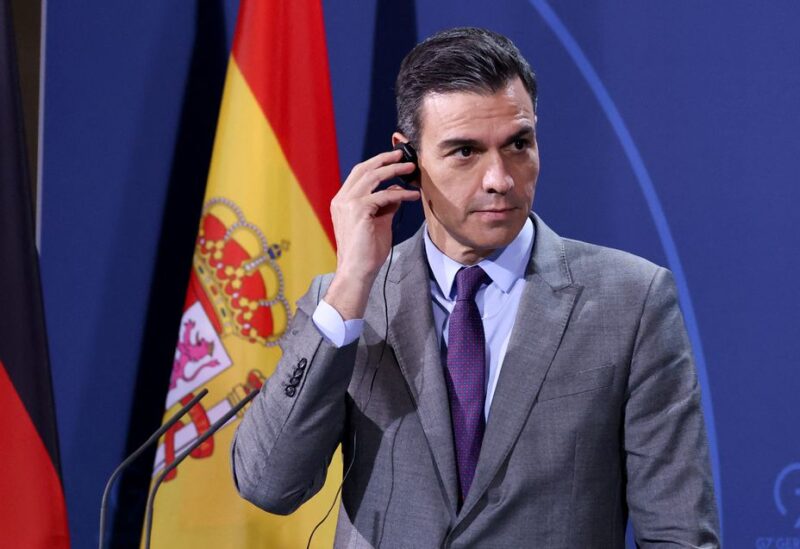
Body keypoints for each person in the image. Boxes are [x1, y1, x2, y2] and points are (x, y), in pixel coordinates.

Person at [231, 27, 720, 547]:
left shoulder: (633, 300)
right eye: (465, 151)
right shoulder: (349, 304)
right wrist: (352, 284)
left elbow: (679, 534)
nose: (500, 179)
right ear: (407, 161)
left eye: (518, 145)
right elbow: (269, 485)